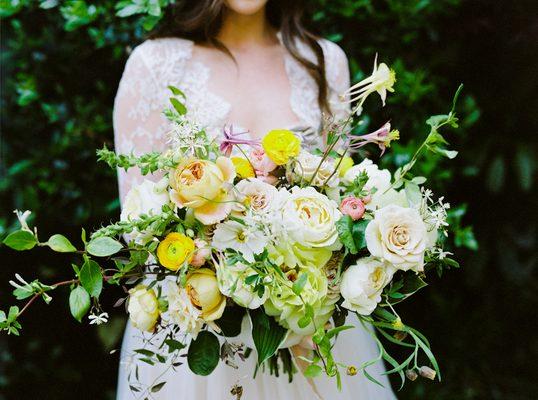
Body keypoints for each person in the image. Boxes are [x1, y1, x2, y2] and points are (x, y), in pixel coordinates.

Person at [114, 1, 396, 398]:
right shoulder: (155, 65)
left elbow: (340, 191)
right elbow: (138, 228)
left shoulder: (323, 61)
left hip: (310, 335)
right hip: (197, 342)